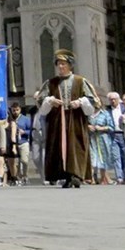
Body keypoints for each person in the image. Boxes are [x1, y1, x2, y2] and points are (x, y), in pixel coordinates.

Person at [37, 49, 99, 188]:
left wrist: (81, 102)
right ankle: (64, 175)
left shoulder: (80, 81)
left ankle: (76, 175)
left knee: (76, 146)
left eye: (63, 64)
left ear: (70, 65)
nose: (60, 66)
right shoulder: (51, 82)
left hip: (75, 120)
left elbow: (93, 100)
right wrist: (50, 100)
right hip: (57, 120)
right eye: (58, 64)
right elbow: (41, 101)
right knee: (59, 146)